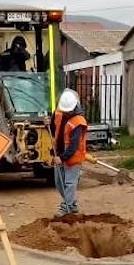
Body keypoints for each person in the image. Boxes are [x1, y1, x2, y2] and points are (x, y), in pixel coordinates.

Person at [49, 89, 88, 217]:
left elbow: (73, 145)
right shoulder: (59, 113)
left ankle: (66, 207)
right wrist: (47, 124)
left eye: (68, 111)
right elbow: (54, 127)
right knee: (59, 183)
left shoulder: (78, 122)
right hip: (59, 152)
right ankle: (72, 204)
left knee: (70, 183)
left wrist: (63, 157)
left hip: (72, 156)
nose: (65, 113)